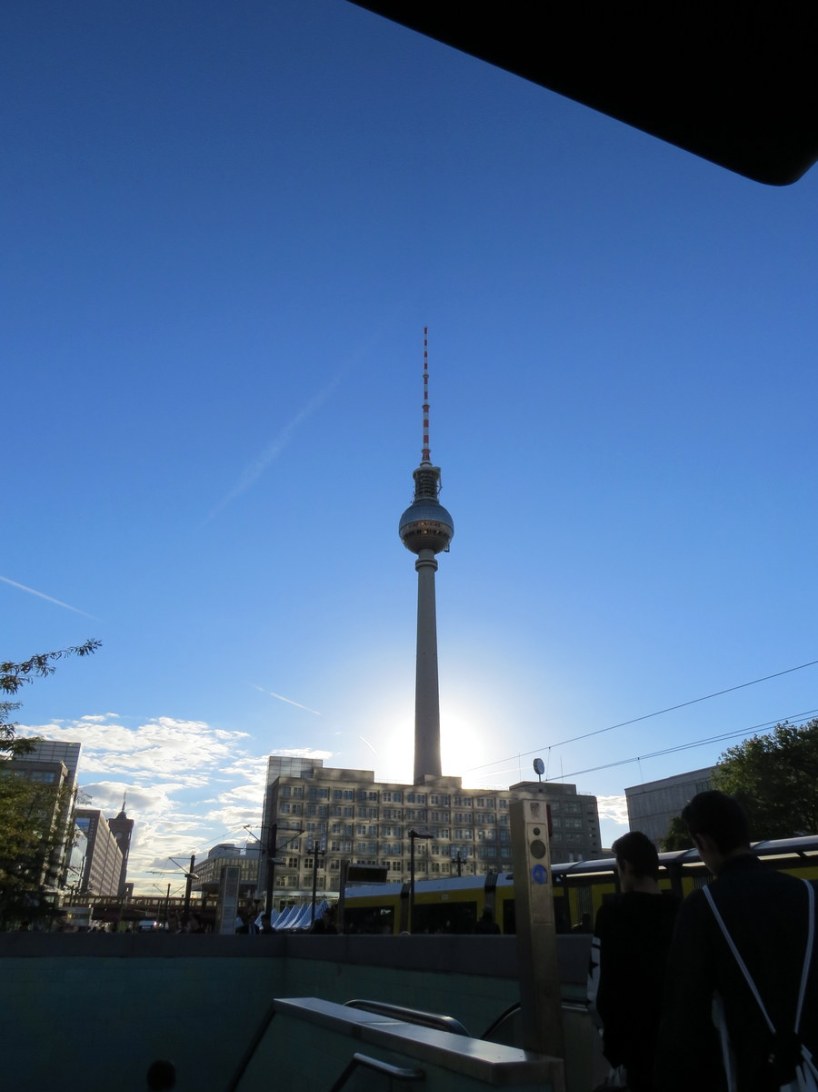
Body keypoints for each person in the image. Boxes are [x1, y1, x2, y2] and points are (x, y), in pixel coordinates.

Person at [656, 790, 818, 1092]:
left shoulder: (702, 907)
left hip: (751, 1073)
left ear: (703, 841)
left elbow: (684, 1017)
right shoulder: (808, 894)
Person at [588, 831, 679, 1092]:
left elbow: (597, 990)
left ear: (625, 866)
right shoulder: (682, 910)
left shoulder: (611, 914)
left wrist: (614, 1048)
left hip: (635, 1056)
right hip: (681, 1049)